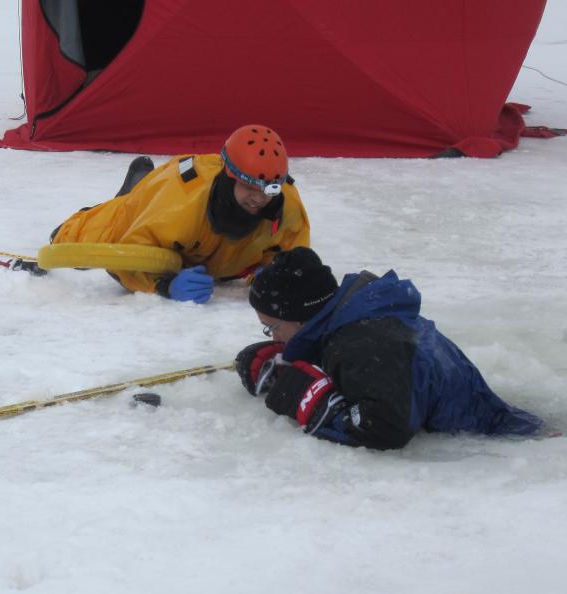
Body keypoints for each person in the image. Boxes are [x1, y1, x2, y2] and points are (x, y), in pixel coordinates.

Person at [234, 247, 543, 449]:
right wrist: (288, 364)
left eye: (273, 327)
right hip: (501, 425)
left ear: (301, 318)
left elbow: (383, 428)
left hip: (504, 447)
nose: (273, 339)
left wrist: (314, 405)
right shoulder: (357, 320)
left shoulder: (364, 344)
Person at [50, 124, 310, 304]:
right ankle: (133, 191)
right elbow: (124, 259)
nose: (260, 198)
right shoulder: (181, 203)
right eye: (249, 186)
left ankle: (137, 187)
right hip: (152, 199)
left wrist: (273, 273)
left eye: (270, 188)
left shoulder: (286, 205)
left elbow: (292, 256)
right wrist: (165, 287)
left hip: (203, 245)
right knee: (70, 234)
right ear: (229, 178)